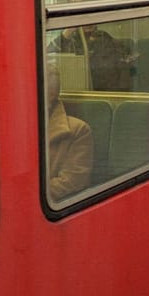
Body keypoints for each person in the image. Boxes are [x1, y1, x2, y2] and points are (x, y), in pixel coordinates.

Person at [44, 63, 94, 203]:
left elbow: (73, 180)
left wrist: (25, 194)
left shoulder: (78, 130)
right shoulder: (12, 128)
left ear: (51, 95)